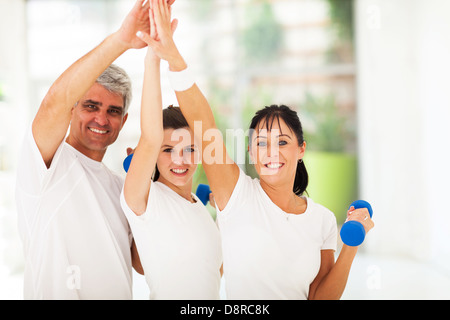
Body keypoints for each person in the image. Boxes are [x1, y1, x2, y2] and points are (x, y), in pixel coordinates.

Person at [143, 0, 374, 300]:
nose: (271, 153)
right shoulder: (236, 195)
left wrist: (351, 247)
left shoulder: (323, 220)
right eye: (261, 144)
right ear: (251, 154)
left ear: (301, 149)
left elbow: (320, 297)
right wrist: (173, 58)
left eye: (282, 142)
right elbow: (203, 124)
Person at [14, 0, 161, 299]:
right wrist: (122, 40)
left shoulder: (121, 188)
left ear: (124, 121)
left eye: (113, 111)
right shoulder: (46, 163)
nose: (101, 119)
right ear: (71, 110)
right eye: (91, 106)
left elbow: (143, 264)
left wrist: (153, 185)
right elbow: (54, 100)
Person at [120, 2, 222, 300]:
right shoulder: (143, 201)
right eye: (168, 150)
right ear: (152, 153)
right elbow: (150, 137)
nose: (181, 159)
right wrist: (154, 57)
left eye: (191, 148)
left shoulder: (201, 211)